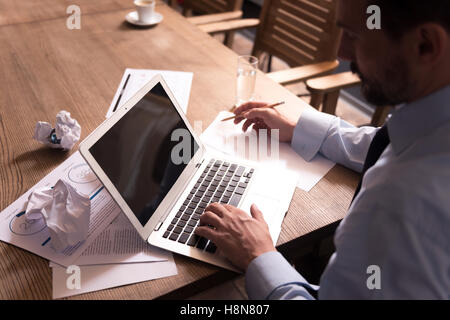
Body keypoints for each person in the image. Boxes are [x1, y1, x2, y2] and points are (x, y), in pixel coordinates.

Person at [194, 0, 450, 299]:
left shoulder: (398, 203)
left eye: (354, 35)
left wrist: (258, 257)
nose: (341, 52)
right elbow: (385, 142)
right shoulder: (432, 129)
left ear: (425, 45)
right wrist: (298, 128)